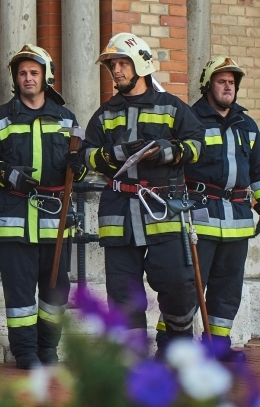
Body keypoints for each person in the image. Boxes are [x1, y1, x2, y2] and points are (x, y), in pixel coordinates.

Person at [81, 32, 205, 351]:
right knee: (122, 293)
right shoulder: (104, 114)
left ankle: (176, 347)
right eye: (113, 65)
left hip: (163, 209)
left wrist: (167, 151)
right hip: (119, 212)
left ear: (141, 65)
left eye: (123, 63)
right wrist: (108, 156)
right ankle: (132, 365)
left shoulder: (173, 107)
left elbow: (196, 146)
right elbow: (86, 154)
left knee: (178, 284)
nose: (117, 70)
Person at [0, 44, 86, 369]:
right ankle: (25, 354)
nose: (27, 78)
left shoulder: (66, 119)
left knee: (55, 292)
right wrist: (6, 174)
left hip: (55, 219)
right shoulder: (0, 118)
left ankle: (48, 349)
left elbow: (81, 157)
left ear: (46, 76)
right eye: (22, 73)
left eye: (34, 72)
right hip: (14, 218)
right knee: (19, 294)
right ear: (15, 78)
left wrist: (79, 166)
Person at [154, 56, 258, 362]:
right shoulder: (191, 121)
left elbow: (258, 170)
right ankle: (171, 342)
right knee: (185, 288)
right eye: (221, 81)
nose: (227, 88)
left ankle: (217, 346)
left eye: (231, 83)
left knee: (227, 290)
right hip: (199, 217)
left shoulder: (247, 125)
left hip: (238, 219)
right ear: (207, 85)